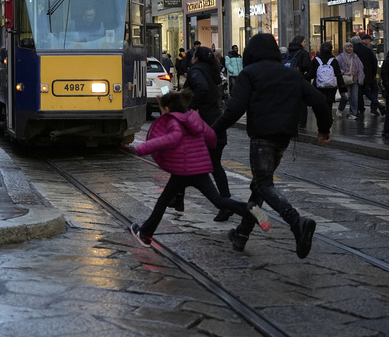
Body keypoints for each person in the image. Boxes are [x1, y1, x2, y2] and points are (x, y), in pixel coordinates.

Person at [212, 33, 333, 259]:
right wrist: (324, 128)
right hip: (284, 137)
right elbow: (318, 100)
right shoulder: (292, 74)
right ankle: (242, 233)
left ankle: (296, 221)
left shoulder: (250, 73)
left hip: (262, 135)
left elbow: (234, 109)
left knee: (264, 184)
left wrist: (212, 130)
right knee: (258, 187)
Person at [128, 87, 271, 248]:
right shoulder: (193, 117)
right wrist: (205, 148)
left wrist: (142, 148)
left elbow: (171, 139)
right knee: (218, 200)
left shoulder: (173, 121)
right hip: (200, 168)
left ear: (167, 109)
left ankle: (146, 233)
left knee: (162, 202)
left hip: (182, 170)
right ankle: (249, 209)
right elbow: (210, 136)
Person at [180, 46, 234, 221]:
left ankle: (224, 204)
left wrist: (190, 107)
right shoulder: (212, 71)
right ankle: (225, 202)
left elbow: (200, 89)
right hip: (216, 123)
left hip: (203, 125)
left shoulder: (196, 71)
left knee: (189, 162)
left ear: (196, 58)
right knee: (214, 165)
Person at [306, 42, 346, 127]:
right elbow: (338, 75)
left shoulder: (316, 60)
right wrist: (343, 89)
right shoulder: (334, 61)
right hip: (331, 87)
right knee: (329, 103)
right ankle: (329, 119)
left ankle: (322, 121)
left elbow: (311, 74)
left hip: (319, 86)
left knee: (320, 103)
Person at [355, 33, 384, 118]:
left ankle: (361, 108)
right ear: (367, 40)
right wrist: (374, 73)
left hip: (359, 75)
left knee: (361, 92)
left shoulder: (355, 50)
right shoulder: (368, 49)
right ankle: (375, 106)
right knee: (372, 90)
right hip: (369, 74)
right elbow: (374, 62)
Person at [336, 41, 363, 120]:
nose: (349, 48)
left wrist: (360, 78)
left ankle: (352, 113)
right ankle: (340, 109)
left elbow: (360, 67)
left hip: (354, 79)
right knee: (346, 97)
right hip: (345, 79)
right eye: (347, 47)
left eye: (351, 47)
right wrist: (344, 72)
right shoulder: (340, 57)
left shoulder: (355, 57)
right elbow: (336, 67)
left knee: (354, 97)